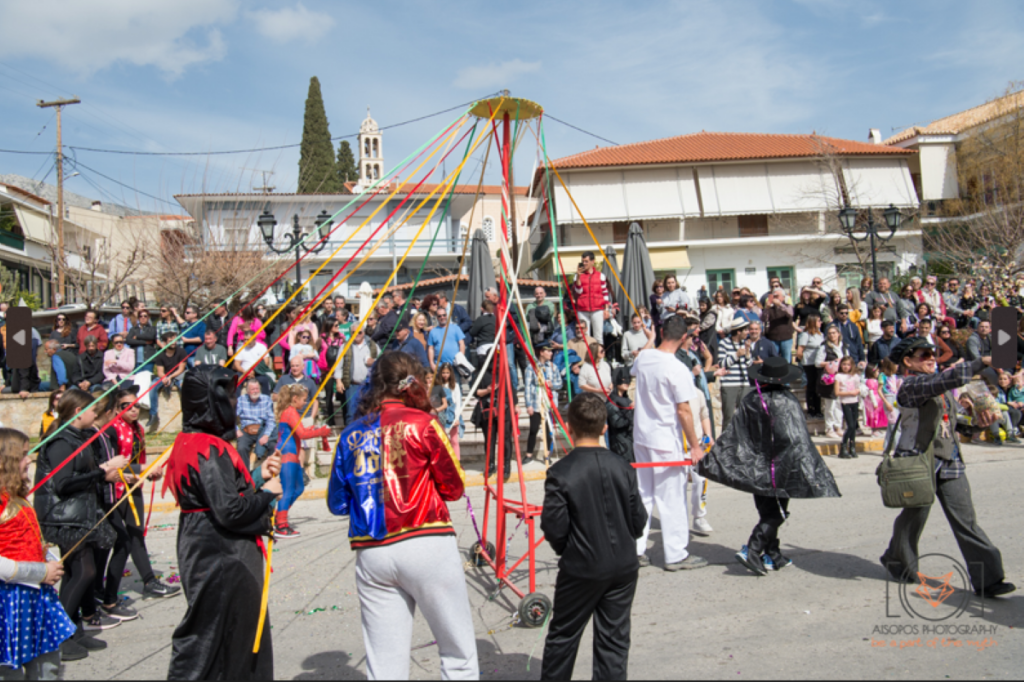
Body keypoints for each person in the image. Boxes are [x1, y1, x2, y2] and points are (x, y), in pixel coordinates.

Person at [327, 351, 477, 681]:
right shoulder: (424, 424)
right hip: (427, 540)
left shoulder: (350, 434)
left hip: (372, 551)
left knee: (384, 666)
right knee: (458, 653)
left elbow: (337, 504)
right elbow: (453, 489)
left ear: (375, 383)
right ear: (411, 381)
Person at [163, 365, 283, 679]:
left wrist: (259, 477)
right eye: (227, 395)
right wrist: (267, 494)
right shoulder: (205, 446)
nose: (233, 401)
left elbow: (219, 496)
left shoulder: (195, 442)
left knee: (234, 634)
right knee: (207, 638)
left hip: (211, 546)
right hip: (220, 554)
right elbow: (229, 510)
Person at [880, 338, 1015, 599]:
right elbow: (942, 380)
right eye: (925, 355)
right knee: (913, 519)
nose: (932, 358)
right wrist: (980, 362)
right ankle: (897, 560)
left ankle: (989, 580)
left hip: (950, 463)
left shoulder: (941, 389)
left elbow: (957, 426)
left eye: (934, 354)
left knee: (967, 522)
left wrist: (980, 423)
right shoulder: (912, 385)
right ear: (908, 362)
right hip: (919, 464)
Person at [700, 356, 840, 575]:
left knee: (768, 510)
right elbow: (796, 439)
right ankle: (752, 549)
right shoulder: (787, 401)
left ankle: (772, 554)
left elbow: (738, 434)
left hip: (756, 467)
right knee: (777, 513)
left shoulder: (751, 399)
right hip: (780, 468)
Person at [540, 393, 647, 681]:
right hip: (623, 564)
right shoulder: (622, 467)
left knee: (563, 637)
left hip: (583, 565)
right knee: (614, 640)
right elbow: (639, 521)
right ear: (604, 428)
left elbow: (554, 527)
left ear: (569, 427)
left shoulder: (560, 472)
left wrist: (570, 548)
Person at [33, 389, 129, 651]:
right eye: (91, 410)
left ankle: (72, 629)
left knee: (78, 572)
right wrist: (102, 471)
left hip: (77, 514)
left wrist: (106, 473)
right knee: (84, 571)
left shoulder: (78, 437)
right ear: (78, 413)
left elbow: (86, 474)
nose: (95, 413)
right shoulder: (61, 441)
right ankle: (57, 635)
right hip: (63, 516)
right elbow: (63, 483)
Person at [92, 387, 179, 623]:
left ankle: (149, 581)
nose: (132, 410)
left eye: (136, 406)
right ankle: (98, 590)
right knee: (111, 541)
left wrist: (148, 472)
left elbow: (138, 460)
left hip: (134, 488)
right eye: (126, 406)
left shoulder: (138, 429)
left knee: (135, 534)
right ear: (117, 408)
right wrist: (140, 471)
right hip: (115, 491)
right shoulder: (110, 430)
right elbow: (110, 464)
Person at [631, 315, 707, 571]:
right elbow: (684, 411)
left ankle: (637, 549)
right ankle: (675, 554)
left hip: (642, 436)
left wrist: (650, 341)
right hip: (664, 440)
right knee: (671, 497)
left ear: (662, 332)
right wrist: (695, 446)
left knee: (644, 494)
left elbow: (638, 361)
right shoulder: (677, 368)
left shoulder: (644, 357)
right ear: (684, 338)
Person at [0, 428, 77, 671]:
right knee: (11, 670)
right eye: (24, 455)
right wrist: (40, 572)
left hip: (34, 597)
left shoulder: (15, 497)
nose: (30, 459)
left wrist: (45, 555)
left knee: (48, 667)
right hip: (10, 602)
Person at [272, 384, 331, 538]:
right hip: (287, 455)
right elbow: (302, 434)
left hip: (293, 455)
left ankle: (280, 518)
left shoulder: (292, 412)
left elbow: (300, 433)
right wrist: (320, 432)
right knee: (289, 490)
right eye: (304, 400)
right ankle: (281, 524)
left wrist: (315, 430)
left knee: (298, 488)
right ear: (294, 398)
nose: (305, 403)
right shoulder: (290, 412)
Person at [272, 357, 320, 475]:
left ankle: (301, 471)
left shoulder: (309, 382)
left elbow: (315, 401)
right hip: (288, 419)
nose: (294, 368)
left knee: (302, 446)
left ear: (303, 367)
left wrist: (312, 418)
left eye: (297, 365)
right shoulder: (284, 379)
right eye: (292, 366)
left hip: (305, 418)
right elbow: (274, 396)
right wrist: (287, 393)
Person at [525, 343, 563, 464]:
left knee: (548, 430)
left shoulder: (553, 367)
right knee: (533, 429)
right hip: (536, 403)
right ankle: (529, 454)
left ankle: (547, 455)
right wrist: (528, 405)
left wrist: (552, 384)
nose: (551, 353)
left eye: (551, 351)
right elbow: (527, 387)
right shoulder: (531, 367)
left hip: (549, 404)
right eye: (549, 351)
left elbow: (560, 383)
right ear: (541, 352)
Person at [714, 317, 753, 429]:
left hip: (744, 384)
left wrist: (747, 353)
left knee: (745, 416)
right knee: (729, 417)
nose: (748, 332)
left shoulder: (744, 344)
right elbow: (721, 364)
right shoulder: (724, 343)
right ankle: (726, 444)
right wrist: (736, 355)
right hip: (729, 384)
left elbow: (749, 364)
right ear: (738, 331)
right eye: (745, 330)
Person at [337, 329, 379, 426]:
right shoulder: (345, 346)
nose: (357, 334)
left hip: (369, 385)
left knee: (369, 411)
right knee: (351, 413)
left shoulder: (372, 345)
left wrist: (373, 361)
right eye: (354, 332)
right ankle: (350, 436)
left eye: (359, 332)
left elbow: (381, 361)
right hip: (353, 385)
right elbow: (338, 365)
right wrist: (339, 381)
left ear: (363, 333)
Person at [149, 332, 188, 432]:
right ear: (165, 342)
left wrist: (170, 377)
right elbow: (160, 372)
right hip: (166, 376)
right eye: (171, 341)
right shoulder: (160, 354)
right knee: (152, 385)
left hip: (178, 376)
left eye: (175, 340)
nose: (174, 342)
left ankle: (187, 415)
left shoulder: (181, 351)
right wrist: (165, 378)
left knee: (184, 386)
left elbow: (181, 369)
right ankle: (153, 414)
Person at [236, 377, 276, 467]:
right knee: (242, 447)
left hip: (262, 429)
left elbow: (271, 419)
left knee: (273, 445)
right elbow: (231, 417)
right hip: (246, 430)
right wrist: (236, 430)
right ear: (247, 391)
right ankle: (245, 475)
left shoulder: (266, 399)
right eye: (253, 389)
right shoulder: (241, 400)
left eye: (257, 388)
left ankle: (268, 473)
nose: (255, 391)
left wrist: (266, 435)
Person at [817, 325, 849, 440]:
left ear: (838, 334)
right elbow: (817, 363)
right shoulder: (824, 347)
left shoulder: (844, 346)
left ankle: (838, 426)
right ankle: (829, 428)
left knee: (839, 404)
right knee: (830, 405)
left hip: (842, 378)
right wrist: (832, 363)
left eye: (834, 333)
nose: (832, 335)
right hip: (830, 379)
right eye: (829, 333)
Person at [573, 251, 611, 337]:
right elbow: (578, 291)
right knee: (584, 336)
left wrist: (606, 309)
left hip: (597, 309)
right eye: (583, 261)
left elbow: (605, 293)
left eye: (586, 261)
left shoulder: (601, 275)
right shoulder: (577, 276)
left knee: (598, 335)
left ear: (592, 261)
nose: (584, 263)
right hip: (582, 309)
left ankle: (598, 350)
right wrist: (578, 276)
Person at [796, 315, 824, 418]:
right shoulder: (805, 335)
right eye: (818, 321)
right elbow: (800, 351)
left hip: (818, 363)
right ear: (813, 322)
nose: (820, 322)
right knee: (811, 386)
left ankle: (818, 409)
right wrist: (803, 361)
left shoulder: (821, 335)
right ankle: (811, 409)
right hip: (809, 363)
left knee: (818, 386)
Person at [232, 327, 276, 396]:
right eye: (245, 339)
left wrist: (254, 372)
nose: (246, 341)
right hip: (243, 372)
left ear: (254, 339)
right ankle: (236, 402)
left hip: (258, 372)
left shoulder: (262, 347)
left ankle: (266, 402)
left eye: (248, 339)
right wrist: (245, 372)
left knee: (265, 380)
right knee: (236, 380)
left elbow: (266, 363)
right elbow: (236, 363)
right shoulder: (240, 348)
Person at [834, 356, 862, 459]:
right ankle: (844, 446)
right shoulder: (839, 376)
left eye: (848, 365)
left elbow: (859, 387)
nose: (846, 367)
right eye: (844, 364)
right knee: (850, 425)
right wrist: (850, 392)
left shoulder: (855, 376)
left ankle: (852, 446)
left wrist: (858, 391)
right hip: (845, 402)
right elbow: (837, 392)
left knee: (854, 425)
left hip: (854, 401)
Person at [606, 366, 635, 464]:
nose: (626, 382)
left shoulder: (627, 400)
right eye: (623, 379)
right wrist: (632, 411)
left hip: (631, 440)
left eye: (628, 379)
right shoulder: (612, 400)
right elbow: (617, 423)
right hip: (620, 443)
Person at [426, 307, 466, 372]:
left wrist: (461, 359)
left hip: (455, 365)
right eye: (439, 316)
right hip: (439, 366)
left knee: (455, 382)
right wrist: (431, 363)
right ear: (437, 317)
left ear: (447, 315)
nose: (442, 317)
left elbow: (462, 344)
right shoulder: (433, 331)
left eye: (444, 315)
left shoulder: (456, 328)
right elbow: (430, 348)